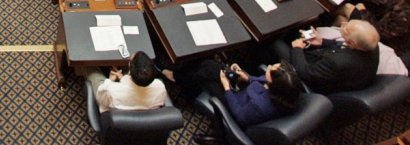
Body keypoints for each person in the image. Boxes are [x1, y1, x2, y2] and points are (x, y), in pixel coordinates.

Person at [164, 59, 301, 131]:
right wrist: (247, 77)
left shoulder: (260, 106)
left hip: (234, 107)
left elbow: (239, 116)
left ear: (274, 84)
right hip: (244, 94)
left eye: (271, 69)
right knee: (212, 67)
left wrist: (226, 88)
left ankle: (180, 81)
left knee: (207, 76)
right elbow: (259, 83)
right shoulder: (284, 87)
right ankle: (180, 75)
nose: (269, 66)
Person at [274, 20, 380, 94]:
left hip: (310, 76)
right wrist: (322, 42)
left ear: (353, 43)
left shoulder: (336, 62)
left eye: (346, 28)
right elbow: (343, 47)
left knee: (275, 42)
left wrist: (297, 49)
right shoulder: (371, 45)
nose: (343, 23)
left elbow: (305, 73)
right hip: (326, 63)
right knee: (297, 32)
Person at [87, 51, 167, 112]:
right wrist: (122, 78)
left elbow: (101, 98)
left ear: (130, 72)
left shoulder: (111, 91)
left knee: (89, 66)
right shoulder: (160, 88)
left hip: (111, 112)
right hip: (143, 120)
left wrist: (109, 81)